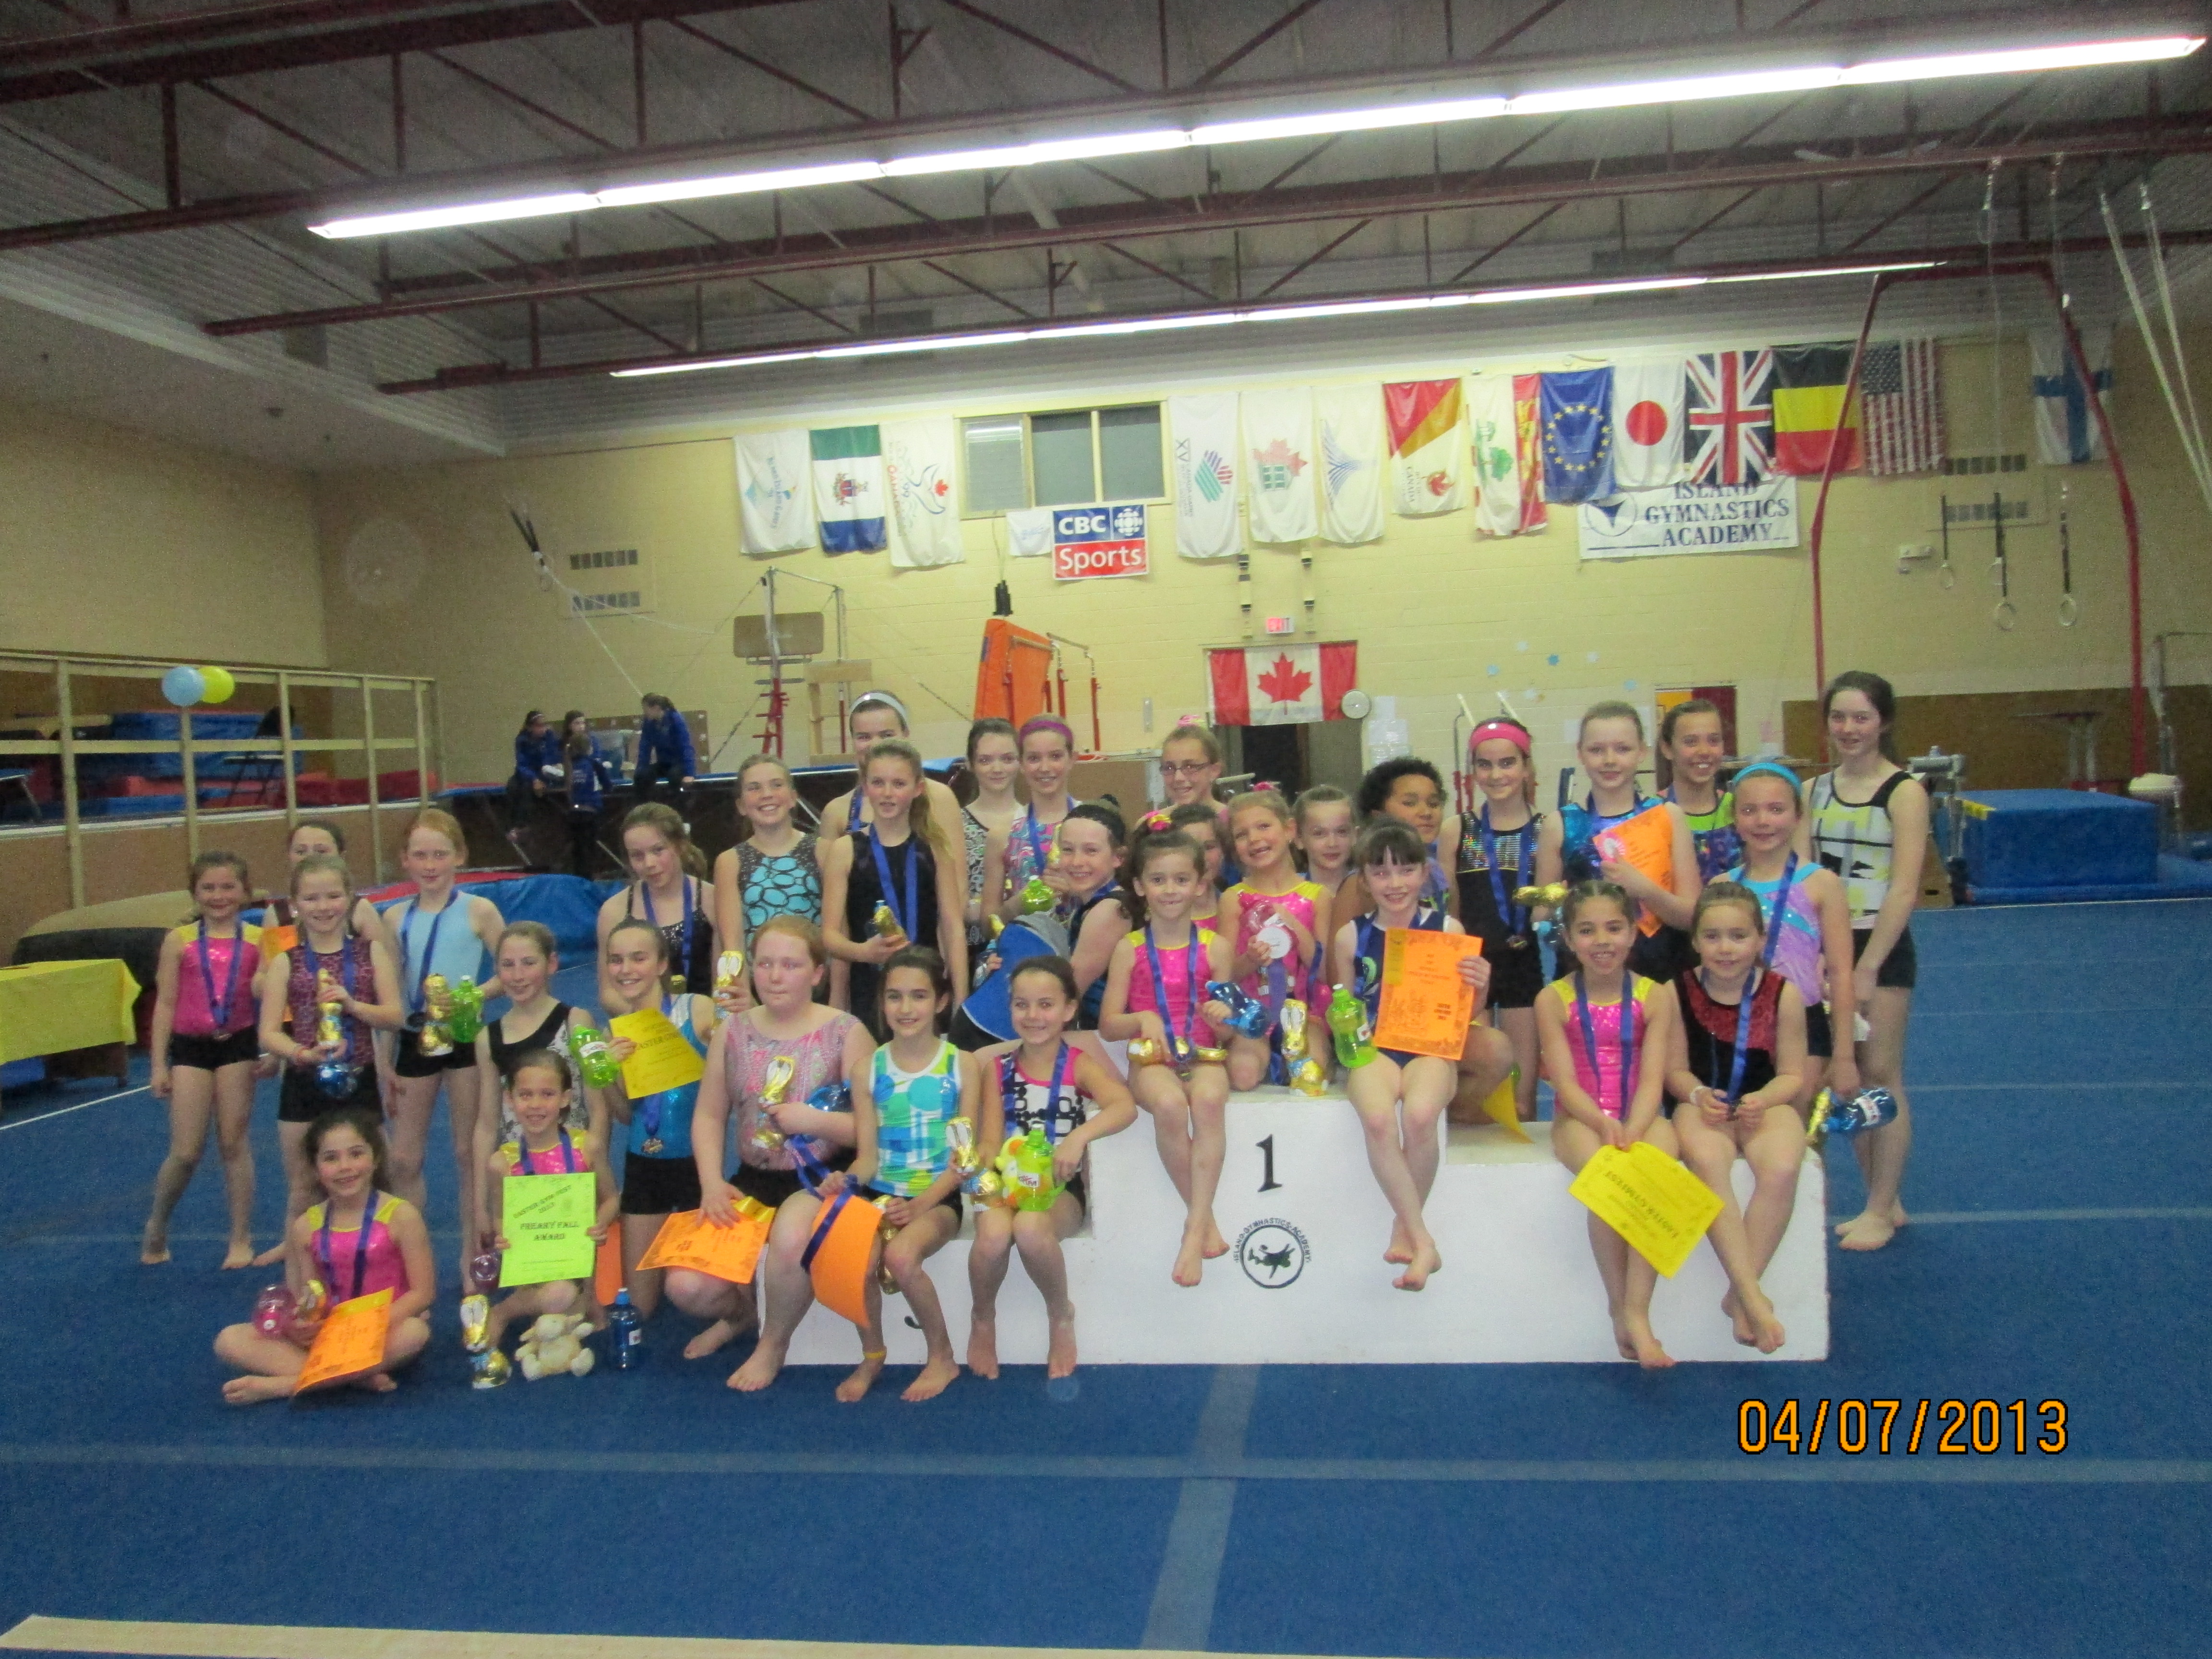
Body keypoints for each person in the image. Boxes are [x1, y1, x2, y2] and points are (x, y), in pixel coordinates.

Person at [684, 916, 875, 1392]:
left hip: (823, 1175)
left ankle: (773, 1343)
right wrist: (712, 1183)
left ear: (817, 973)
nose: (774, 976)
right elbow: (709, 1115)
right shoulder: (732, 1032)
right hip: (753, 1176)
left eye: (790, 965)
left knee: (790, 1238)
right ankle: (742, 1315)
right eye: (765, 964)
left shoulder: (846, 1032)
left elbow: (874, 1130)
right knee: (688, 1288)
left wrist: (815, 1121)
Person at [1328, 820, 1485, 1292]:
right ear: (1364, 880)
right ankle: (1421, 1238)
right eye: (1381, 873)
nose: (1394, 883)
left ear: (1424, 873)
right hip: (1375, 1047)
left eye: (1405, 870)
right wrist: (1344, 1031)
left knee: (1419, 1115)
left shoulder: (1447, 929)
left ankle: (1406, 1228)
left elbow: (1465, 1013)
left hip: (1430, 1047)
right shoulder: (1350, 937)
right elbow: (1345, 1005)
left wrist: (1480, 986)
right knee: (1379, 1120)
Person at [1536, 880, 1682, 1369]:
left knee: (1655, 1172)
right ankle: (1619, 1305)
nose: (1602, 941)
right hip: (1580, 1117)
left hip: (1642, 1113)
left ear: (1634, 933)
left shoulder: (1655, 996)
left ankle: (1637, 1310)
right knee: (1609, 1174)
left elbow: (1654, 1076)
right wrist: (1602, 1124)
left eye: (1614, 928)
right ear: (1568, 938)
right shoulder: (1553, 999)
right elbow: (1563, 1080)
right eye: (1587, 930)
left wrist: (1635, 1127)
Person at [968, 956, 1135, 1382]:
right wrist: (974, 1164)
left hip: (1058, 1191)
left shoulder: (1079, 1064)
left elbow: (1124, 1107)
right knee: (992, 1237)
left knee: (1029, 1228)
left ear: (1068, 1009)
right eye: (1022, 1005)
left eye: (1045, 1005)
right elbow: (989, 1141)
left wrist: (1078, 1138)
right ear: (1010, 1009)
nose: (1033, 1016)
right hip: (1007, 1184)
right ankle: (983, 1316)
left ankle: (1060, 1314)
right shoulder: (997, 1070)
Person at [1807, 669, 1928, 1252]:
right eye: (1839, 717)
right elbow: (1807, 877)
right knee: (1846, 1077)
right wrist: (1817, 955)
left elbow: (1904, 888)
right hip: (1828, 945)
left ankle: (1881, 1208)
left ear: (1884, 722)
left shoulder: (1904, 792)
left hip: (1880, 944)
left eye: (1861, 717)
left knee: (1881, 1073)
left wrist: (1868, 965)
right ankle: (1884, 1197)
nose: (1849, 728)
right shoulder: (1815, 790)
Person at [1666, 880, 1805, 1353]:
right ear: (1695, 941)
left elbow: (1793, 1074)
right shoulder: (1676, 992)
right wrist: (1698, 1093)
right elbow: (1673, 1070)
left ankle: (1739, 1294)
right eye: (1713, 937)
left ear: (1760, 940)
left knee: (1783, 1166)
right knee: (1708, 1161)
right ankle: (1752, 1296)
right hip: (1702, 1105)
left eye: (1738, 936)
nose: (1725, 948)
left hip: (1763, 1103)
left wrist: (1765, 1099)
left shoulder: (1783, 993)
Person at [212, 1110, 433, 1404]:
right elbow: (307, 1296)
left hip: (385, 1329)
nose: (345, 1167)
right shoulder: (306, 1226)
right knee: (229, 1340)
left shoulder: (402, 1216)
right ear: (316, 1168)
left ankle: (287, 1385)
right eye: (331, 1159)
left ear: (376, 1158)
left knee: (415, 1332)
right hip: (330, 1333)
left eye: (356, 1154)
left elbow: (423, 1293)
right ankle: (352, 1376)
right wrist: (300, 1325)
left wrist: (370, 1325)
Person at [1348, 758, 1517, 1125]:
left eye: (1434, 802)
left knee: (1496, 1049)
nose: (1425, 812)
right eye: (1410, 802)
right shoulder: (1360, 887)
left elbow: (1454, 962)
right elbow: (1342, 976)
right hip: (1377, 1033)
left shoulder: (1439, 877)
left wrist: (1474, 999)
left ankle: (1449, 1118)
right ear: (1379, 814)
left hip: (1429, 1027)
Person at [1098, 831, 1233, 1287]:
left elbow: (1229, 1029)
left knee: (1209, 1102)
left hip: (1204, 1055)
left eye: (1181, 879)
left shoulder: (1216, 948)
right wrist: (1142, 1017)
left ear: (1200, 884)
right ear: (1140, 886)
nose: (1170, 889)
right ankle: (1203, 1222)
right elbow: (1108, 1024)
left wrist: (1222, 1018)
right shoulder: (1129, 948)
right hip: (1151, 1062)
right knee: (1172, 1105)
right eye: (1158, 880)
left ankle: (1194, 1228)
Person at [850, 946, 981, 1402]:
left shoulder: (961, 1065)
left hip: (938, 1197)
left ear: (941, 1001)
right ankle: (872, 1355)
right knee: (857, 1260)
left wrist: (922, 1204)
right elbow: (867, 1158)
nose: (905, 1008)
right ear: (882, 1002)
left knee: (902, 1257)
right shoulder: (867, 1069)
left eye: (919, 996)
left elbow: (965, 1159)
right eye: (895, 997)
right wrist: (846, 1183)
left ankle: (941, 1356)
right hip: (880, 1194)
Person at [255, 855, 404, 1255]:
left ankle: (381, 1261)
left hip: (358, 1080)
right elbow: (268, 1032)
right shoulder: (286, 961)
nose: (323, 907)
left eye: (333, 896)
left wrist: (353, 1005)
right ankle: (299, 1270)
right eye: (312, 898)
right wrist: (302, 1054)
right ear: (295, 905)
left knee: (378, 1178)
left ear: (351, 899)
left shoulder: (371, 953)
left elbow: (394, 1016)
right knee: (303, 1186)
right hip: (303, 1082)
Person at [385, 809, 505, 1275]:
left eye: (440, 854)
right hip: (414, 1036)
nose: (431, 865)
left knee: (466, 1150)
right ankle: (409, 1258)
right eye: (420, 855)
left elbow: (511, 969)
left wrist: (473, 995)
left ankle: (471, 1253)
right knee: (403, 1157)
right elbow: (388, 989)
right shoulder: (394, 917)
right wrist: (383, 1060)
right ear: (405, 860)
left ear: (460, 856)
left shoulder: (479, 910)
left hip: (464, 1036)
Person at [144, 853, 264, 1269]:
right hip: (190, 1048)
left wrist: (273, 1051)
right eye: (208, 888)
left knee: (234, 1142)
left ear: (245, 892)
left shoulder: (258, 940)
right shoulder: (179, 941)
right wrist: (158, 1064)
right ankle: (158, 1222)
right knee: (186, 1151)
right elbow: (166, 1003)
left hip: (238, 1044)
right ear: (194, 893)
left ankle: (241, 1237)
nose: (218, 896)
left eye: (228, 887)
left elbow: (275, 997)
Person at [600, 919, 719, 1333]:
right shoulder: (613, 1033)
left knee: (699, 1293)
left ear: (662, 964)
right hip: (643, 1165)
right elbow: (624, 1114)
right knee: (640, 1308)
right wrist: (605, 1074)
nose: (626, 969)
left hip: (696, 1166)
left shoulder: (697, 1010)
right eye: (616, 960)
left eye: (638, 958)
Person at [1721, 762, 1859, 1112]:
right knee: (1742, 1123)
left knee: (1795, 1123)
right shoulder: (1722, 887)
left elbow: (1841, 972)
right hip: (1735, 1022)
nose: (1763, 821)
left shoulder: (1822, 884)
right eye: (1749, 811)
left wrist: (1844, 1056)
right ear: (1734, 819)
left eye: (1776, 809)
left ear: (1798, 816)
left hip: (1803, 1022)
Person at [1453, 719, 1563, 1122]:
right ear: (1473, 771)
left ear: (1527, 766)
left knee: (1521, 1099)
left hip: (1523, 964)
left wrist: (1552, 898)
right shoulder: (1457, 830)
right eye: (1485, 765)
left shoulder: (1548, 828)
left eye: (1507, 763)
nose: (1496, 774)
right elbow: (1453, 912)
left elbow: (1545, 903)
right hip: (1471, 970)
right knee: (1482, 1086)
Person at [477, 1048, 618, 1356]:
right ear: (509, 1099)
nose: (535, 1105)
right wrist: (502, 1237)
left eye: (547, 1094)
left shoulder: (586, 1147)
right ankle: (504, 1311)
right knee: (559, 1297)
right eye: (525, 1095)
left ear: (566, 1098)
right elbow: (501, 1216)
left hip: (579, 1263)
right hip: (532, 1268)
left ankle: (583, 1300)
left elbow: (611, 1199)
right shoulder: (502, 1163)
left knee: (572, 1308)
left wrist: (600, 1223)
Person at [822, 738, 967, 1034]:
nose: (888, 793)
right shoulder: (845, 850)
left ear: (918, 789)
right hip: (870, 992)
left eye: (899, 784)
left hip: (925, 990)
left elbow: (953, 927)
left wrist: (961, 1003)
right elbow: (829, 936)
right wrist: (864, 952)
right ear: (865, 786)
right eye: (878, 783)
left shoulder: (935, 848)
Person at [470, 921, 603, 1238]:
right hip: (519, 1177)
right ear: (496, 970)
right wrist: (480, 1204)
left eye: (529, 963)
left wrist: (591, 1170)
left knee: (576, 1262)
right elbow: (487, 1124)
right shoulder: (489, 1038)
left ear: (552, 964)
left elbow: (598, 1108)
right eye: (508, 965)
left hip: (571, 1172)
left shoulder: (576, 1021)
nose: (518, 976)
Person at [1558, 703, 1699, 982]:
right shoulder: (1561, 824)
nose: (1610, 760)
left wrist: (1646, 890)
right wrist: (1555, 907)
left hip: (1663, 975)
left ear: (1642, 752)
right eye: (1597, 750)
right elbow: (1543, 919)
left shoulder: (1668, 816)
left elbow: (1692, 917)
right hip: (1587, 981)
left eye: (1623, 749)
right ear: (1580, 753)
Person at [1219, 791, 1331, 1092]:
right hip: (1251, 1013)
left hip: (1305, 1013)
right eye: (1242, 834)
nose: (1254, 839)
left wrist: (1292, 925)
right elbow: (1224, 975)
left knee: (1311, 1074)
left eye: (1264, 826)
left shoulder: (1317, 896)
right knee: (1243, 1076)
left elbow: (1324, 972)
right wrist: (1251, 959)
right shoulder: (1233, 899)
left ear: (1290, 830)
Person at [711, 754, 823, 1009]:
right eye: (754, 788)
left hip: (816, 993)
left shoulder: (822, 851)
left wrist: (838, 997)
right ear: (741, 805)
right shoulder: (730, 862)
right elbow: (732, 944)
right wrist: (746, 1001)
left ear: (793, 797)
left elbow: (836, 933)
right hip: (759, 994)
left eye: (776, 785)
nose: (767, 795)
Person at [597, 802, 718, 1008]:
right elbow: (609, 992)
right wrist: (655, 1021)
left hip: (705, 1019)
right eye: (637, 856)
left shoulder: (713, 900)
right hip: (643, 1021)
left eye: (658, 850)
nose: (649, 864)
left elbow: (724, 980)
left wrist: (702, 1019)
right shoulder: (615, 911)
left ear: (680, 846)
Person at [816, 691, 962, 839]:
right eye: (864, 737)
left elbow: (952, 854)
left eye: (887, 735)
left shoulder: (939, 799)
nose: (875, 745)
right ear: (853, 741)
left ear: (905, 735)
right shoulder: (837, 812)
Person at [982, 715, 1083, 922]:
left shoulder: (1094, 824)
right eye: (1034, 759)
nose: (1045, 768)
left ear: (1072, 759)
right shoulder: (1003, 834)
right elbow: (988, 923)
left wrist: (1078, 891)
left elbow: (1119, 901)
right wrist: (1021, 902)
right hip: (1028, 940)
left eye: (1055, 756)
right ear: (1021, 763)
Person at [959, 718, 1024, 965]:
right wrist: (987, 909)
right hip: (974, 951)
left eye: (1007, 759)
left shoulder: (1034, 823)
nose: (997, 769)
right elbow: (946, 901)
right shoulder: (954, 825)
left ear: (1021, 761)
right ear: (970, 764)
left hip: (1030, 943)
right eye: (986, 760)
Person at [1659, 699, 1741, 880]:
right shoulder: (1651, 813)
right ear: (1667, 749)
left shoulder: (1739, 810)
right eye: (1691, 742)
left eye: (1714, 741)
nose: (1704, 751)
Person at [561, 711, 615, 878]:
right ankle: (588, 878)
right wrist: (607, 789)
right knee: (589, 848)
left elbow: (569, 786)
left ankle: (579, 877)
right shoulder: (593, 764)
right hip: (590, 811)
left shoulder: (570, 765)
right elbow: (608, 785)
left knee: (578, 848)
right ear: (589, 748)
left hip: (574, 812)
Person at [1164, 802, 1228, 923]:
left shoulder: (1238, 907)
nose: (1202, 858)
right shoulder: (1159, 917)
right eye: (1191, 849)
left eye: (1209, 847)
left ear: (1223, 850)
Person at [506, 709, 565, 834]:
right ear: (530, 727)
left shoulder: (549, 737)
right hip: (528, 773)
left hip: (545, 772)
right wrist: (534, 779)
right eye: (539, 726)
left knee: (527, 788)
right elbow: (522, 764)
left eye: (544, 725)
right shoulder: (522, 740)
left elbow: (552, 758)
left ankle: (525, 824)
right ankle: (515, 824)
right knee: (512, 786)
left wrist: (540, 778)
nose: (543, 729)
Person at [1292, 784, 1356, 899]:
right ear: (1299, 839)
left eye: (1341, 832)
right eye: (1319, 834)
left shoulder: (1374, 889)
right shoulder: (1289, 893)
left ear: (1355, 835)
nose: (1332, 843)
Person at [634, 692, 696, 805]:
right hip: (664, 764)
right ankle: (645, 806)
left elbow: (686, 747)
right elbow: (645, 747)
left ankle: (679, 808)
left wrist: (689, 774)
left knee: (674, 776)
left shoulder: (676, 720)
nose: (644, 713)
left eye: (646, 709)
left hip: (679, 764)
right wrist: (641, 768)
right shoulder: (649, 723)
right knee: (642, 776)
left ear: (656, 708)